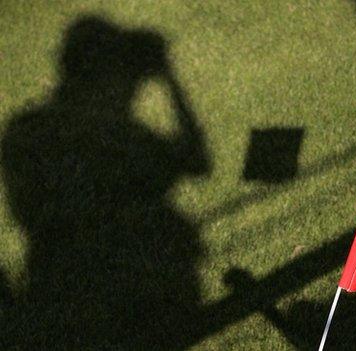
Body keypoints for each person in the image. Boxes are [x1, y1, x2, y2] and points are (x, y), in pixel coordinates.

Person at [1, 16, 210, 349]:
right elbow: (196, 160)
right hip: (137, 307)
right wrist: (168, 80)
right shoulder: (117, 136)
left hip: (65, 304)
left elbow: (27, 212)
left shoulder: (27, 131)